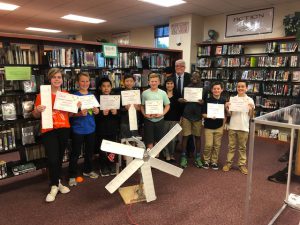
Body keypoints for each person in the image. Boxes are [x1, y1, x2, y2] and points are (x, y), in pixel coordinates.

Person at [32, 68, 71, 202]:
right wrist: (37, 110)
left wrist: (74, 107)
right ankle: (53, 186)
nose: (57, 79)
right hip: (49, 130)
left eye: (59, 77)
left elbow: (69, 114)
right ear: (50, 79)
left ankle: (58, 183)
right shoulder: (42, 94)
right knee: (53, 159)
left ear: (62, 79)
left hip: (64, 129)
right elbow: (35, 115)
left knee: (60, 158)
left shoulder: (66, 94)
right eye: (54, 77)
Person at [68, 72, 100, 187]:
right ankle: (72, 175)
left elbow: (95, 111)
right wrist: (79, 114)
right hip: (78, 130)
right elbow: (70, 115)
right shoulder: (74, 96)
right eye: (82, 81)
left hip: (91, 128)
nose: (85, 83)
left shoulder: (92, 96)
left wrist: (97, 111)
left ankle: (88, 170)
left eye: (87, 81)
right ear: (77, 83)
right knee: (75, 154)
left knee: (89, 152)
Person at [222, 81, 255, 175]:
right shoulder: (232, 99)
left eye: (242, 87)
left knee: (242, 147)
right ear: (236, 88)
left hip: (244, 127)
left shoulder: (250, 100)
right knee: (231, 146)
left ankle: (242, 165)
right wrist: (226, 108)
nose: (240, 88)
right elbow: (230, 114)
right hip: (232, 126)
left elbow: (251, 116)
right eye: (238, 86)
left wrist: (251, 109)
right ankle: (228, 163)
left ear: (246, 88)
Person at [179, 72, 206, 169]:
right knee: (185, 136)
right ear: (190, 78)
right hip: (187, 115)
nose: (194, 78)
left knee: (198, 137)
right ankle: (183, 156)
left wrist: (203, 103)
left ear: (200, 78)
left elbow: (205, 103)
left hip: (198, 116)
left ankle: (198, 157)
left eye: (197, 76)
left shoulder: (203, 89)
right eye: (193, 76)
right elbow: (182, 101)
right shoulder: (186, 88)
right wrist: (181, 101)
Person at [95, 77, 120, 177]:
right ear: (100, 88)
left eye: (108, 86)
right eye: (104, 86)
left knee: (112, 148)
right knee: (102, 149)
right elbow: (94, 116)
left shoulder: (115, 98)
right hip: (101, 129)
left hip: (112, 128)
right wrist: (101, 113)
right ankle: (103, 166)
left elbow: (119, 117)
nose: (106, 88)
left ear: (111, 88)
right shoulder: (97, 99)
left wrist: (116, 112)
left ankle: (112, 164)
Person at [141, 73, 170, 150]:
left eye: (155, 81)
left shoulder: (163, 93)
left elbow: (167, 106)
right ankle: (150, 158)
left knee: (158, 140)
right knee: (149, 140)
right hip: (148, 120)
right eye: (152, 81)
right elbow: (142, 106)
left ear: (159, 82)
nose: (153, 83)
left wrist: (162, 113)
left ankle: (156, 157)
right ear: (148, 82)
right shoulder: (144, 93)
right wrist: (144, 114)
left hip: (160, 120)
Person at [202, 81, 226, 170]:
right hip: (208, 126)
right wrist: (209, 116)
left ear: (221, 90)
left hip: (219, 126)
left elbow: (225, 115)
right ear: (212, 90)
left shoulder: (224, 101)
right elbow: (203, 114)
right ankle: (206, 160)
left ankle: (214, 161)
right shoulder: (207, 100)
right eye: (214, 89)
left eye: (218, 89)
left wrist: (223, 126)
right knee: (208, 144)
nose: (216, 90)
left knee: (217, 145)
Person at [163, 77, 181, 162]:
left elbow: (181, 108)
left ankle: (172, 154)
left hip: (175, 119)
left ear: (174, 85)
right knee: (165, 137)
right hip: (164, 119)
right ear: (165, 85)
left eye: (171, 83)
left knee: (173, 139)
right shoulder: (162, 94)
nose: (169, 85)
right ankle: (167, 154)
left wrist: (180, 118)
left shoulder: (178, 94)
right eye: (168, 83)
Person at [120, 74, 141, 139]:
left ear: (134, 82)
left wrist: (138, 108)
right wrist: (125, 108)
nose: (129, 83)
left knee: (135, 139)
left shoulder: (137, 93)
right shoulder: (120, 93)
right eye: (127, 81)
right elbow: (118, 109)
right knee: (125, 140)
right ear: (123, 82)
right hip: (124, 121)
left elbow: (141, 107)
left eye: (131, 81)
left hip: (135, 120)